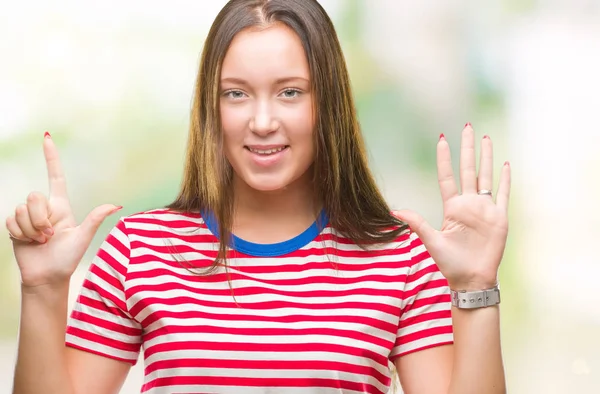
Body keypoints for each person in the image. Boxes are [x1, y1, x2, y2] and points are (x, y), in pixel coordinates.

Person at [7, 0, 511, 393]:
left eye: (290, 92)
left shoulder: (399, 258)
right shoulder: (139, 248)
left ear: (327, 104)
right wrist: (44, 288)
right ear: (212, 106)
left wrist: (475, 285)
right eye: (236, 93)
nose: (263, 121)